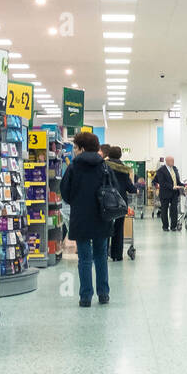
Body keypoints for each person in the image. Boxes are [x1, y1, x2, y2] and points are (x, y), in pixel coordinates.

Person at [59, 131, 111, 307]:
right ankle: (103, 294)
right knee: (101, 255)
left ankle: (85, 297)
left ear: (81, 148)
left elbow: (65, 192)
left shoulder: (73, 167)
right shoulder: (104, 166)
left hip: (81, 217)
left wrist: (77, 200)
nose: (73, 150)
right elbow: (113, 189)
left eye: (74, 147)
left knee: (85, 258)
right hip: (102, 217)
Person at [100, 144, 136, 261]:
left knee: (105, 227)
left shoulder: (103, 165)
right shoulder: (124, 169)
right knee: (119, 228)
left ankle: (104, 254)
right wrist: (135, 189)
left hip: (106, 200)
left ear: (109, 154)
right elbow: (129, 187)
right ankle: (117, 255)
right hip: (121, 202)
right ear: (120, 155)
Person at [153, 155, 184, 231]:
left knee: (174, 210)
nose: (173, 162)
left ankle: (173, 226)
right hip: (165, 193)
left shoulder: (175, 169)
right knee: (164, 210)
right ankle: (165, 226)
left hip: (174, 193)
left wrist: (184, 185)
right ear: (167, 161)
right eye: (171, 161)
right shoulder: (161, 170)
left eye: (173, 161)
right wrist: (172, 187)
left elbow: (177, 181)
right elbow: (162, 183)